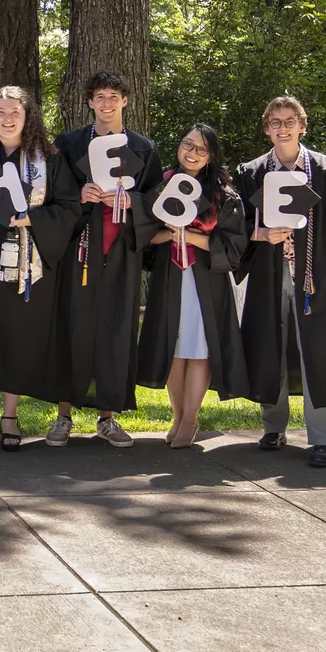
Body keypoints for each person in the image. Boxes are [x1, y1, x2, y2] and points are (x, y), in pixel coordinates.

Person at [0, 86, 81, 450]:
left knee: (16, 338)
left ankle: (9, 414)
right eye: (0, 112)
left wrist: (29, 220)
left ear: (28, 117)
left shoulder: (48, 159)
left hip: (26, 265)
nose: (7, 119)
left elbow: (68, 208)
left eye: (15, 113)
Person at [231, 97, 326, 468]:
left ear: (302, 125)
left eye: (289, 121)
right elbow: (237, 223)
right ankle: (273, 427)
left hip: (316, 276)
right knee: (269, 345)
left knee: (318, 351)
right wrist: (260, 234)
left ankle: (321, 438)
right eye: (274, 122)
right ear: (266, 128)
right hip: (268, 274)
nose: (282, 128)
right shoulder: (251, 172)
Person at [49, 72, 160, 446]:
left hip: (121, 254)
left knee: (116, 331)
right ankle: (63, 416)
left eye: (114, 96)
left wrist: (135, 202)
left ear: (126, 101)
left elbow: (157, 201)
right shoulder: (68, 144)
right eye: (100, 96)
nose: (107, 103)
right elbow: (52, 194)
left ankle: (107, 417)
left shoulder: (143, 149)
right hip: (78, 250)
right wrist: (79, 195)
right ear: (90, 102)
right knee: (72, 328)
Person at [134, 125, 250, 448]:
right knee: (173, 348)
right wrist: (171, 232)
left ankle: (191, 418)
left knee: (199, 348)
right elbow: (144, 235)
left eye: (201, 148)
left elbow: (231, 246)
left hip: (205, 277)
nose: (193, 152)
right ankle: (178, 415)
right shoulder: (163, 186)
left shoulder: (221, 194)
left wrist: (191, 234)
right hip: (170, 276)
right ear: (179, 146)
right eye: (188, 144)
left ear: (211, 155)